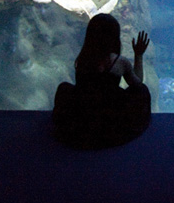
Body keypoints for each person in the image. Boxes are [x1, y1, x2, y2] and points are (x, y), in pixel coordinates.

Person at [52, 13, 151, 148]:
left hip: (85, 117)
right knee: (142, 90)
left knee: (64, 88)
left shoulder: (83, 59)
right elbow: (137, 83)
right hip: (110, 117)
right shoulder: (120, 62)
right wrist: (138, 55)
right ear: (115, 37)